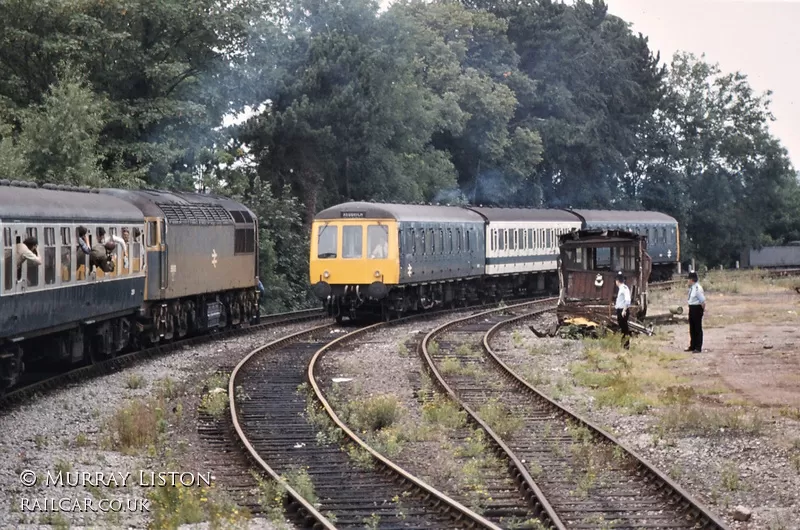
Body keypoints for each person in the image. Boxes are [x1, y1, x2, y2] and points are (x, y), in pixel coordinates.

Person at [686, 271, 706, 353]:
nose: (687, 281)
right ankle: (692, 345)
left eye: (688, 279)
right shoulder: (692, 288)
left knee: (697, 328)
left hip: (697, 308)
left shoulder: (698, 288)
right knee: (692, 328)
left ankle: (698, 347)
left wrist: (701, 311)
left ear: (692, 280)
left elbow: (702, 301)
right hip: (691, 308)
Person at [614, 273, 632, 350]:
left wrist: (624, 310)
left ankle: (626, 346)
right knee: (622, 328)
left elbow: (627, 300)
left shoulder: (624, 288)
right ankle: (623, 344)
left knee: (624, 328)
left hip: (623, 310)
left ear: (617, 281)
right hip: (620, 310)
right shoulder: (621, 288)